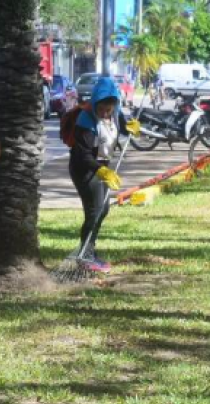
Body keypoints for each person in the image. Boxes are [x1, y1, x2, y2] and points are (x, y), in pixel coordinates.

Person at [68, 76, 129, 274]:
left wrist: (130, 129)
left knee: (103, 210)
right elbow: (82, 154)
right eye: (101, 109)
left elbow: (120, 125)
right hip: (85, 169)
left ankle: (89, 251)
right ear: (94, 103)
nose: (104, 113)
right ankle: (84, 256)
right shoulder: (85, 120)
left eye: (108, 110)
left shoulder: (115, 112)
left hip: (103, 167)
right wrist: (100, 170)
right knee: (94, 211)